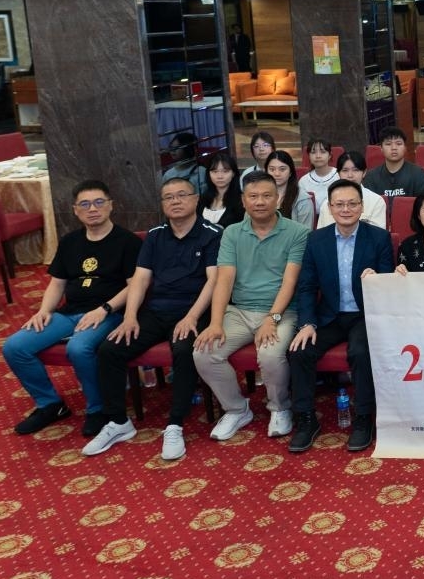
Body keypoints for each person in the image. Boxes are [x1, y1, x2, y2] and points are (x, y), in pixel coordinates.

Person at [83, 177, 222, 460]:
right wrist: (130, 316)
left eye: (182, 195)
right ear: (162, 203)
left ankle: (175, 424)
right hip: (156, 311)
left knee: (184, 349)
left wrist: (192, 317)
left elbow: (214, 281)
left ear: (196, 199)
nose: (175, 201)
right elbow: (141, 279)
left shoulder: (212, 234)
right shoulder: (155, 235)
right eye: (168, 197)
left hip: (194, 311)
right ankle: (118, 422)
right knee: (110, 349)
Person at [2, 180, 143, 437]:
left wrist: (105, 308)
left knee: (79, 348)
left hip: (111, 313)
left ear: (111, 205)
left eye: (99, 202)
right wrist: (44, 310)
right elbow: (57, 283)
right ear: (75, 210)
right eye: (85, 204)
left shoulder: (127, 241)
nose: (93, 209)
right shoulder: (70, 242)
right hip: (70, 312)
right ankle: (50, 405)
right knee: (15, 346)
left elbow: (135, 286)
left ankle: (98, 408)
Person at [193, 170, 310, 442]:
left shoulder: (298, 232)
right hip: (240, 311)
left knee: (270, 355)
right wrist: (215, 322)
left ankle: (280, 407)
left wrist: (272, 318)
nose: (260, 202)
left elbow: (290, 282)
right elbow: (224, 280)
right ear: (243, 201)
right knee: (204, 352)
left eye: (267, 196)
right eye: (253, 196)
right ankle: (236, 409)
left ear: (278, 199)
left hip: (282, 311)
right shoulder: (232, 233)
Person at [287, 180, 395, 453]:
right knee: (300, 350)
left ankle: (363, 417)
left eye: (352, 203)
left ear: (362, 206)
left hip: (364, 314)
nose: (346, 209)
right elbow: (307, 286)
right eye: (339, 204)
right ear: (330, 207)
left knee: (360, 352)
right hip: (330, 315)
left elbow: (388, 283)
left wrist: (377, 280)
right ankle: (306, 419)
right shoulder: (316, 240)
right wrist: (307, 323)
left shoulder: (379, 238)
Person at [317, 151, 387, 230]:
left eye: (355, 170)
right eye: (345, 170)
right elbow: (321, 234)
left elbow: (378, 234)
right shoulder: (328, 203)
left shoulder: (376, 201)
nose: (350, 175)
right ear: (338, 174)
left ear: (364, 173)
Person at [363, 126, 424, 199]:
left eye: (398, 144)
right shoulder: (371, 177)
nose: (394, 148)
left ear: (405, 147)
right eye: (388, 144)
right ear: (381, 148)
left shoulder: (418, 174)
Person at [265, 150, 315, 228]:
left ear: (290, 172)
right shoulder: (257, 196)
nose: (277, 174)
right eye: (272, 169)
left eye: (282, 169)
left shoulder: (303, 200)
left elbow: (305, 233)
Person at [199, 151, 245, 228]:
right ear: (208, 174)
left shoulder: (241, 200)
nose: (219, 176)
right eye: (215, 171)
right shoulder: (203, 199)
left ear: (233, 173)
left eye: (225, 171)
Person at [297, 138, 339, 208]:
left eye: (323, 152)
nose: (318, 156)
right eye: (313, 152)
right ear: (309, 156)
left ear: (329, 155)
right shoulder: (303, 181)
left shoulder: (339, 175)